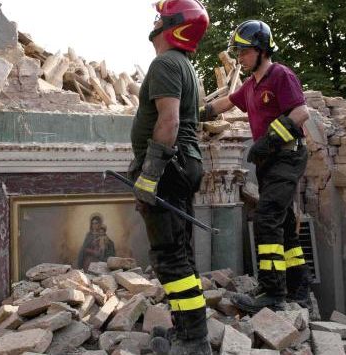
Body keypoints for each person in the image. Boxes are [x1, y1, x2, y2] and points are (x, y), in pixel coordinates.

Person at [201, 20, 312, 313]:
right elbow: (226, 102)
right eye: (238, 52)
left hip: (286, 158)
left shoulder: (280, 75)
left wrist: (272, 139)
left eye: (245, 52)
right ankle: (300, 289)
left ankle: (272, 292)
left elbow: (301, 112)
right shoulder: (251, 85)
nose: (240, 58)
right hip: (269, 162)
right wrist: (200, 112)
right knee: (285, 226)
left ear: (262, 50)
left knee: (266, 220)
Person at [128, 0, 211, 353]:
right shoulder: (185, 66)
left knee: (169, 256)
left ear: (173, 26)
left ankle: (194, 341)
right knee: (181, 252)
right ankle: (187, 331)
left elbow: (170, 121)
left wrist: (149, 175)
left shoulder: (165, 63)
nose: (155, 22)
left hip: (168, 168)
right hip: (184, 166)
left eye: (160, 17)